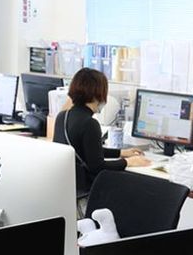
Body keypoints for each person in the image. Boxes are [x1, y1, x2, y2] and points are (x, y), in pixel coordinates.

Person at [53, 67, 150, 196]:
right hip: (86, 191)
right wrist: (128, 162)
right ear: (98, 94)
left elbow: (89, 151)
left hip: (68, 188)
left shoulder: (62, 116)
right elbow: (97, 167)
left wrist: (121, 153)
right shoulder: (90, 123)